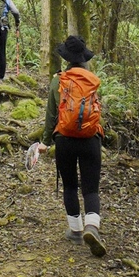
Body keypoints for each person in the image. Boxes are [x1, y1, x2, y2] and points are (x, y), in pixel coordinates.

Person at [38, 36, 106, 258]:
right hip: (90, 139)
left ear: (66, 58)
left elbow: (51, 115)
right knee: (91, 188)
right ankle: (92, 227)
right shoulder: (93, 80)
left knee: (69, 186)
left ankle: (76, 231)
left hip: (64, 139)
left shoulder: (58, 81)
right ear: (83, 58)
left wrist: (45, 143)